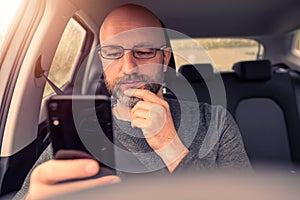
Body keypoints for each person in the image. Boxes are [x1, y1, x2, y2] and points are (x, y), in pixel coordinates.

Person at [13, 4, 251, 200]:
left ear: (164, 58)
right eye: (114, 52)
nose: (128, 68)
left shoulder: (215, 121)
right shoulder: (78, 131)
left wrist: (171, 147)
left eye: (145, 51)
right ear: (102, 59)